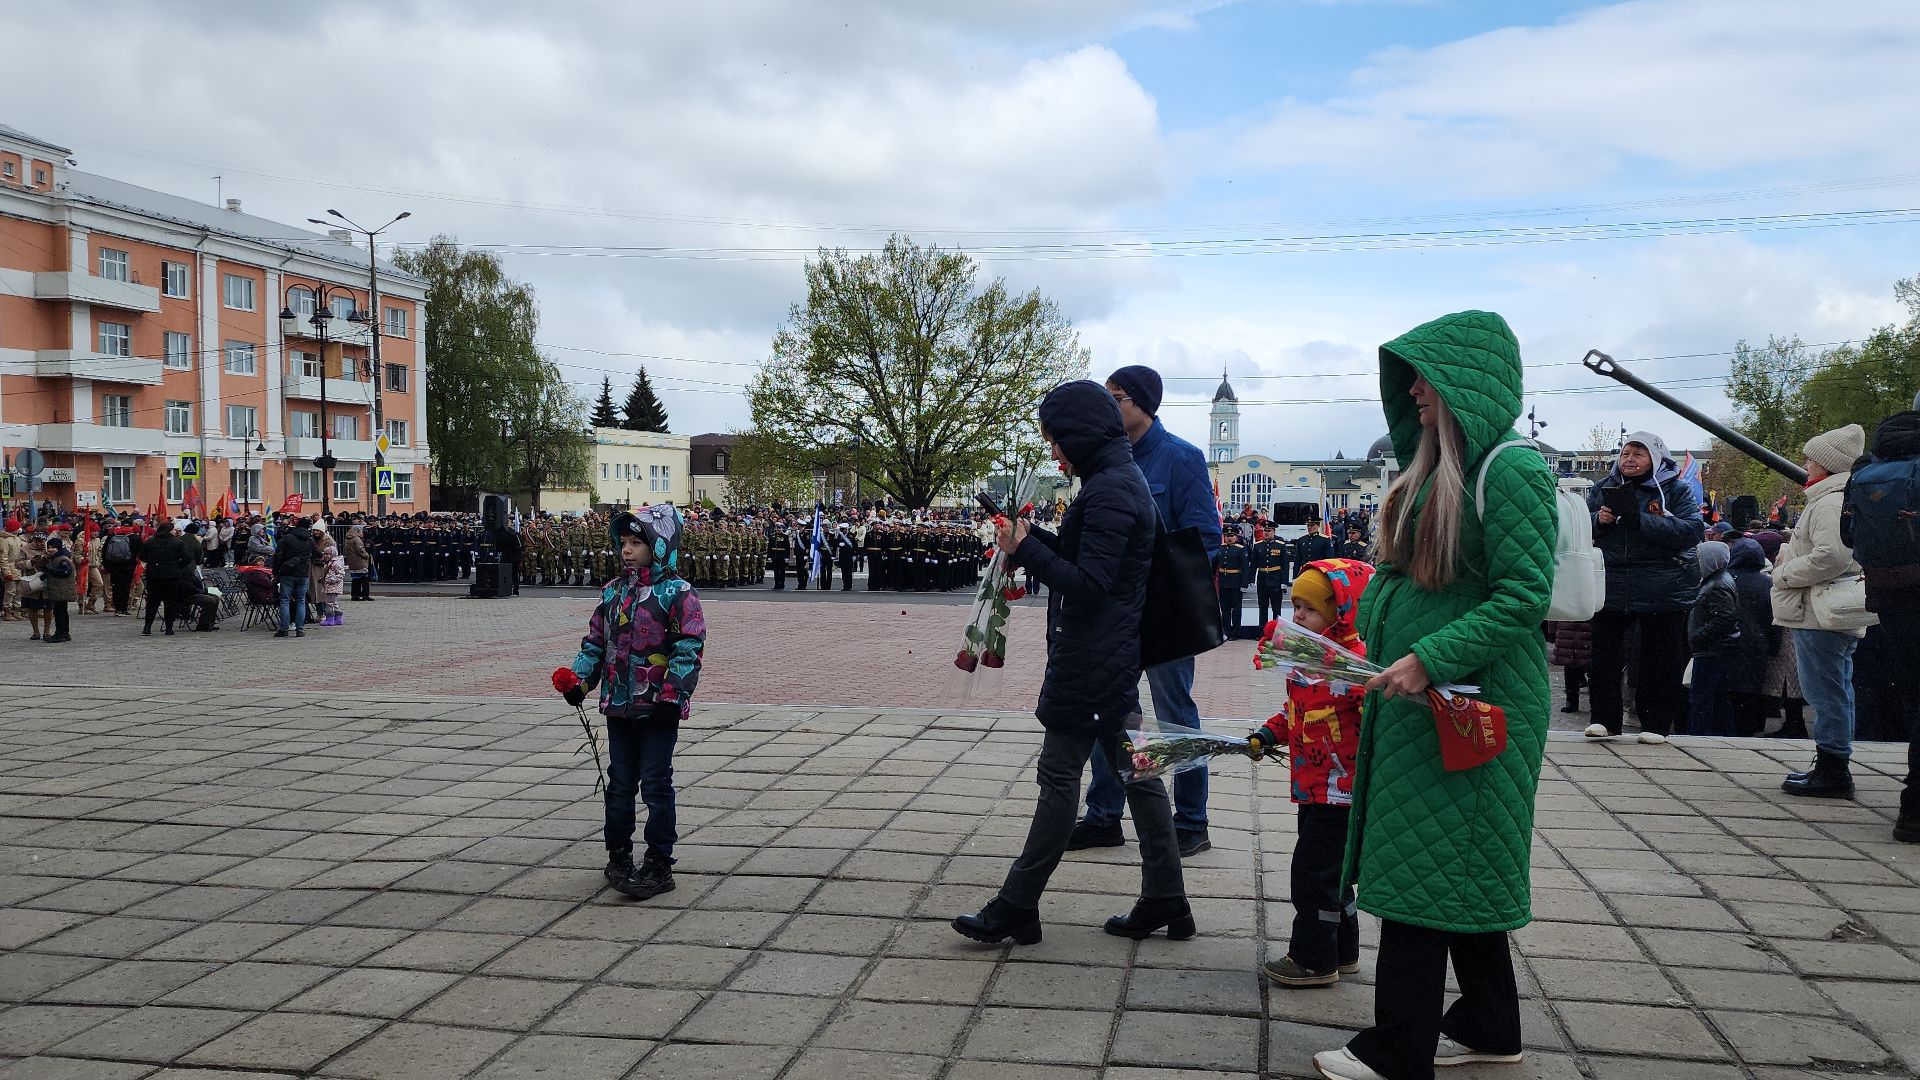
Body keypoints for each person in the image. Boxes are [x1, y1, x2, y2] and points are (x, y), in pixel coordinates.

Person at [1313, 311, 1553, 1080]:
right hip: (1431, 702)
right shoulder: (1439, 468)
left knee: (1420, 874)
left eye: (1426, 375)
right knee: (1454, 864)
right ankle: (1487, 1025)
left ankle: (1397, 1049)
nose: (1413, 389)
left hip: (1468, 704)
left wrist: (1425, 656)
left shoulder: (1511, 470)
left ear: (1465, 383)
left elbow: (1524, 597)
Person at [952, 380, 1189, 946]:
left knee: (1059, 780)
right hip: (1108, 657)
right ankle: (1167, 898)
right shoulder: (1114, 481)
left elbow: (1090, 585)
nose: (1054, 452)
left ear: (1081, 435)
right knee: (1138, 775)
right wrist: (1040, 539)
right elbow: (1092, 560)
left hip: (1092, 662)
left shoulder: (1109, 490)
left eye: (1057, 440)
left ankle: (1017, 905)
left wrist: (1024, 549)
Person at [1073, 365, 1222, 858]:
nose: (1110, 406)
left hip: (1162, 613)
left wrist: (1151, 574)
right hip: (1115, 613)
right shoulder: (1105, 460)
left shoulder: (1181, 458)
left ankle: (1192, 821)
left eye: (1115, 397)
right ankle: (1104, 815)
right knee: (1110, 710)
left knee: (1175, 714)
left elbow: (1205, 538)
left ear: (1141, 403)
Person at [558, 506, 707, 900]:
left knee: (656, 783)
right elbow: (595, 642)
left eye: (637, 542)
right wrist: (581, 680)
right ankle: (618, 853)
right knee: (620, 782)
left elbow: (688, 647)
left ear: (659, 546)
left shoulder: (678, 594)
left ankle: (659, 860)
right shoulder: (613, 592)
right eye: (623, 542)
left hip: (658, 707)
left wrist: (673, 697)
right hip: (619, 705)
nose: (627, 550)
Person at [1248, 558, 1374, 987]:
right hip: (1313, 784)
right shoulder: (1312, 659)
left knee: (1313, 873)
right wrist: (1268, 735)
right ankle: (1343, 949)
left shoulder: (1355, 665)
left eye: (1310, 609)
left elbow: (1373, 716)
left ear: (1340, 613)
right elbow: (1298, 710)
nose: (1297, 615)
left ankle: (1313, 959)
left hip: (1339, 789)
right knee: (1332, 872)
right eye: (1295, 604)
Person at [1584, 431, 1705, 744]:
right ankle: (1604, 720)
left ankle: (1656, 723)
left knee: (1660, 658)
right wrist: (1601, 519)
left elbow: (1692, 530)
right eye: (1626, 453)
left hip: (1661, 584)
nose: (1629, 459)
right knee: (1604, 655)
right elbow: (1579, 526)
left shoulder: (1676, 490)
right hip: (1611, 582)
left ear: (1655, 457)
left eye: (1638, 454)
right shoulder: (1602, 488)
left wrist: (1640, 520)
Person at [1774, 424, 1874, 798]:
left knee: (1825, 692)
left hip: (1818, 612)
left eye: (1811, 458)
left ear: (1828, 465)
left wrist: (1784, 573)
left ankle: (1833, 769)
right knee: (1835, 690)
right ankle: (1833, 762)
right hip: (1821, 610)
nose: (1805, 464)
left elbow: (1834, 555)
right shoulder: (1837, 498)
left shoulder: (1829, 502)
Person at [1843, 394, 1920, 841]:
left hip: (1890, 591)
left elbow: (1850, 533)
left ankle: (1913, 809)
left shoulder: (1871, 464)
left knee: (1914, 694)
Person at [1686, 540, 1741, 736]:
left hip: (1711, 649)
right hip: (1715, 648)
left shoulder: (1717, 584)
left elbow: (1724, 617)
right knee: (1717, 698)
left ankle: (1700, 735)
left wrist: (1697, 637)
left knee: (1703, 697)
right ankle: (1722, 735)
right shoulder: (1717, 580)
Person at [1724, 538, 1779, 737]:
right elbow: (1773, 616)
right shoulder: (1767, 582)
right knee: (1753, 690)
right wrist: (1774, 644)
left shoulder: (1727, 579)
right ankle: (1752, 728)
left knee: (1730, 690)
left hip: (1730, 642)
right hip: (1758, 643)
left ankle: (1730, 728)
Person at [140, 519, 195, 636]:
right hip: (172, 576)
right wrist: (178, 566)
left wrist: (152, 563)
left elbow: (142, 556)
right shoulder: (177, 543)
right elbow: (187, 558)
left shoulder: (150, 542)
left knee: (152, 602)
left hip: (154, 575)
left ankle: (147, 627)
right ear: (170, 531)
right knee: (170, 602)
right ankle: (169, 628)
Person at [273, 522, 316, 637]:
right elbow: (317, 553)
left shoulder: (287, 539)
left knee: (285, 600)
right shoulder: (309, 540)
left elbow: (277, 555)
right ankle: (300, 629)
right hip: (303, 574)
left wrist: (276, 571)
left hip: (287, 572)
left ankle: (284, 628)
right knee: (301, 600)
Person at [1545, 620, 1591, 714]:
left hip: (1586, 625)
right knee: (1570, 663)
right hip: (1568, 624)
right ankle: (1571, 699)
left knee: (1587, 662)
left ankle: (1574, 700)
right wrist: (1552, 630)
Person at [1215, 526, 1251, 638]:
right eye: (1227, 536)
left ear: (1236, 537)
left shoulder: (1241, 549)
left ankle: (1235, 632)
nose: (1229, 538)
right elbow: (1215, 565)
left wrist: (1244, 584)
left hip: (1235, 581)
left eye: (1231, 536)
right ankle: (1226, 631)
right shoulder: (1221, 548)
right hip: (1223, 581)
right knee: (1224, 608)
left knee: (1236, 608)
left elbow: (1245, 568)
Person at [1252, 526, 1290, 629]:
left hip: (1276, 580)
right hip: (1262, 580)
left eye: (1269, 531)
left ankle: (1276, 631)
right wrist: (1251, 579)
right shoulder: (1257, 546)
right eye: (1265, 530)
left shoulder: (1280, 545)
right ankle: (1262, 631)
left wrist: (1284, 582)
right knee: (1262, 607)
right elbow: (1254, 564)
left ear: (1274, 532)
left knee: (1276, 608)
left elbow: (1285, 565)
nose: (1266, 533)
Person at [39, 536, 75, 643]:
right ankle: (64, 633)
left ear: (58, 547)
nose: (50, 549)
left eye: (53, 547)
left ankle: (60, 633)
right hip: (59, 589)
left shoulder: (63, 559)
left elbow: (65, 572)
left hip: (61, 590)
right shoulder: (56, 557)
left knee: (60, 612)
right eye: (49, 547)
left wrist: (50, 570)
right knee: (61, 611)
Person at [344, 524, 374, 602]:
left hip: (352, 561)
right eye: (361, 531)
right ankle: (365, 595)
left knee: (355, 580)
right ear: (358, 531)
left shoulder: (347, 539)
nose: (362, 533)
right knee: (365, 579)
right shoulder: (356, 539)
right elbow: (360, 550)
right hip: (360, 562)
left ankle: (355, 595)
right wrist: (367, 555)